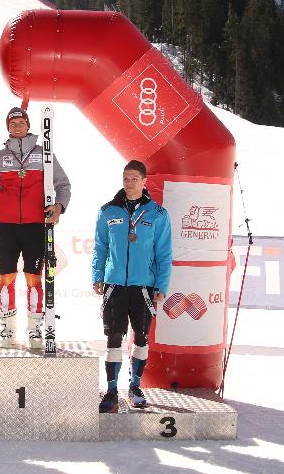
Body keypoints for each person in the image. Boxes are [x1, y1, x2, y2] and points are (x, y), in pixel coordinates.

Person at [0, 106, 71, 349]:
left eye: (21, 122)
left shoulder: (45, 154)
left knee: (33, 278)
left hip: (35, 226)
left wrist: (59, 206)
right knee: (6, 278)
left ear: (28, 125)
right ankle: (7, 330)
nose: (17, 126)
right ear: (7, 127)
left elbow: (63, 184)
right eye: (13, 123)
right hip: (5, 228)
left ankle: (34, 330)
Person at [91, 160, 172, 413]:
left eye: (134, 178)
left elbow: (164, 253)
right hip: (115, 284)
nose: (129, 183)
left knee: (141, 336)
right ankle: (111, 390)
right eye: (125, 178)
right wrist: (97, 275)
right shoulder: (107, 211)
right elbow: (100, 247)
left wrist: (161, 284)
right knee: (113, 337)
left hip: (144, 286)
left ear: (144, 181)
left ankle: (135, 386)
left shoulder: (158, 214)